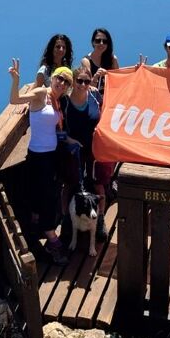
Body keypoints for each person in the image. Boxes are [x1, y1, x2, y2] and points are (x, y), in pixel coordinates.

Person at [9, 59, 74, 263]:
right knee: (48, 197)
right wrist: (16, 80)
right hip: (38, 157)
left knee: (49, 196)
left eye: (66, 82)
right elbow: (15, 99)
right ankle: (52, 239)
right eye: (60, 79)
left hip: (51, 156)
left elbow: (56, 129)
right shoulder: (41, 94)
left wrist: (71, 141)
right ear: (52, 78)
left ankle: (41, 231)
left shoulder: (57, 101)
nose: (62, 84)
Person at [58, 66, 109, 243]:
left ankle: (100, 219)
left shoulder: (95, 96)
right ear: (73, 81)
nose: (82, 84)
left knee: (98, 184)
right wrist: (69, 140)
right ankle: (66, 221)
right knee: (69, 185)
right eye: (79, 80)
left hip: (95, 149)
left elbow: (108, 113)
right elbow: (57, 130)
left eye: (86, 81)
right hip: (73, 150)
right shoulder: (64, 102)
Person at [81, 28, 120, 92]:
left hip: (110, 96)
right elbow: (87, 86)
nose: (101, 43)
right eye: (98, 41)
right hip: (94, 98)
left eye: (105, 41)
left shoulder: (113, 59)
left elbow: (119, 80)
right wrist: (96, 76)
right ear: (93, 42)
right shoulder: (86, 61)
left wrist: (136, 69)